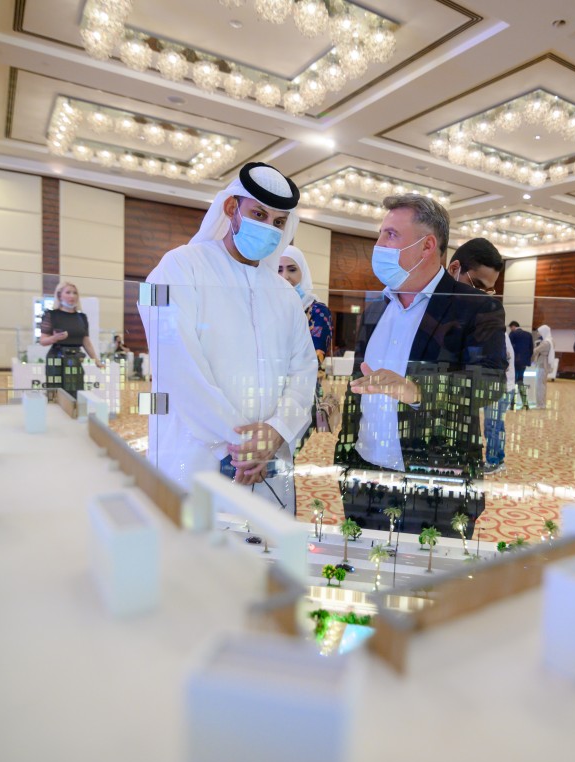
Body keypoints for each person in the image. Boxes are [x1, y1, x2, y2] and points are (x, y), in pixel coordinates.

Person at [138, 162, 317, 511]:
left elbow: (304, 369)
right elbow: (178, 365)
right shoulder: (179, 267)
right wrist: (242, 443)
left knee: (266, 541)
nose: (269, 228)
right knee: (197, 541)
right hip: (199, 455)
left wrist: (278, 430)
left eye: (279, 222)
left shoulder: (284, 293)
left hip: (269, 458)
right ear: (231, 207)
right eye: (259, 215)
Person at [335, 194, 507, 479]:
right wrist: (347, 453)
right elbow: (359, 383)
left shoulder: (475, 306)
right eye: (381, 234)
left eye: (391, 235)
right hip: (363, 469)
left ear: (427, 245)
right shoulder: (375, 308)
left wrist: (416, 390)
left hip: (433, 476)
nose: (378, 245)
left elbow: (491, 383)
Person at [447, 237, 510, 472]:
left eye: (488, 290)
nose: (483, 296)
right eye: (478, 285)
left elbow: (490, 376)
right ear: (454, 269)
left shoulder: (486, 317)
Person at [278, 245, 334, 387]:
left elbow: (313, 359)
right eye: (279, 270)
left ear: (303, 272)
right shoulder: (269, 308)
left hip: (303, 388)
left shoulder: (318, 311)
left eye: (292, 269)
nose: (284, 276)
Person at [39, 281, 101, 398]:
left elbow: (86, 341)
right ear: (59, 295)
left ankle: (74, 409)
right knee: (55, 393)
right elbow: (43, 341)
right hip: (57, 357)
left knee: (75, 391)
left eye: (74, 293)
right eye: (68, 292)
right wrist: (54, 338)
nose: (72, 296)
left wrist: (96, 359)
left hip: (75, 358)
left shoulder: (81, 317)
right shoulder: (51, 315)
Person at [508, 321, 533, 410]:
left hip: (514, 362)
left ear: (513, 326)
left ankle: (512, 404)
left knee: (513, 382)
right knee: (520, 380)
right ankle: (525, 404)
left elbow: (509, 349)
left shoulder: (512, 334)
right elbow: (531, 350)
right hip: (523, 363)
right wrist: (526, 360)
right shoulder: (528, 335)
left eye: (510, 328)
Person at [531, 324, 554, 409]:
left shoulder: (545, 343)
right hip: (545, 364)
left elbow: (536, 350)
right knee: (543, 385)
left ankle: (540, 404)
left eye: (539, 332)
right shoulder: (551, 340)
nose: (538, 333)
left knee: (540, 385)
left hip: (542, 365)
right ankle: (542, 403)